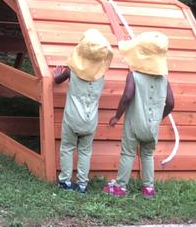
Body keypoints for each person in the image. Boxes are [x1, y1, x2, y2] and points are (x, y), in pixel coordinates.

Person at [103, 31, 175, 199]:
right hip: (152, 126)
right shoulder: (164, 80)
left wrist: (117, 116)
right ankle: (148, 188)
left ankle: (120, 187)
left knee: (128, 153)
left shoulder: (134, 76)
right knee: (148, 155)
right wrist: (159, 118)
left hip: (133, 125)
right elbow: (171, 103)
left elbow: (127, 96)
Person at [53, 29, 114, 194]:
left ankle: (65, 181)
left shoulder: (72, 70)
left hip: (72, 118)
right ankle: (82, 184)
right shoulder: (101, 75)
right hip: (90, 120)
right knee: (85, 151)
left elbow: (58, 79)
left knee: (67, 147)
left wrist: (56, 74)